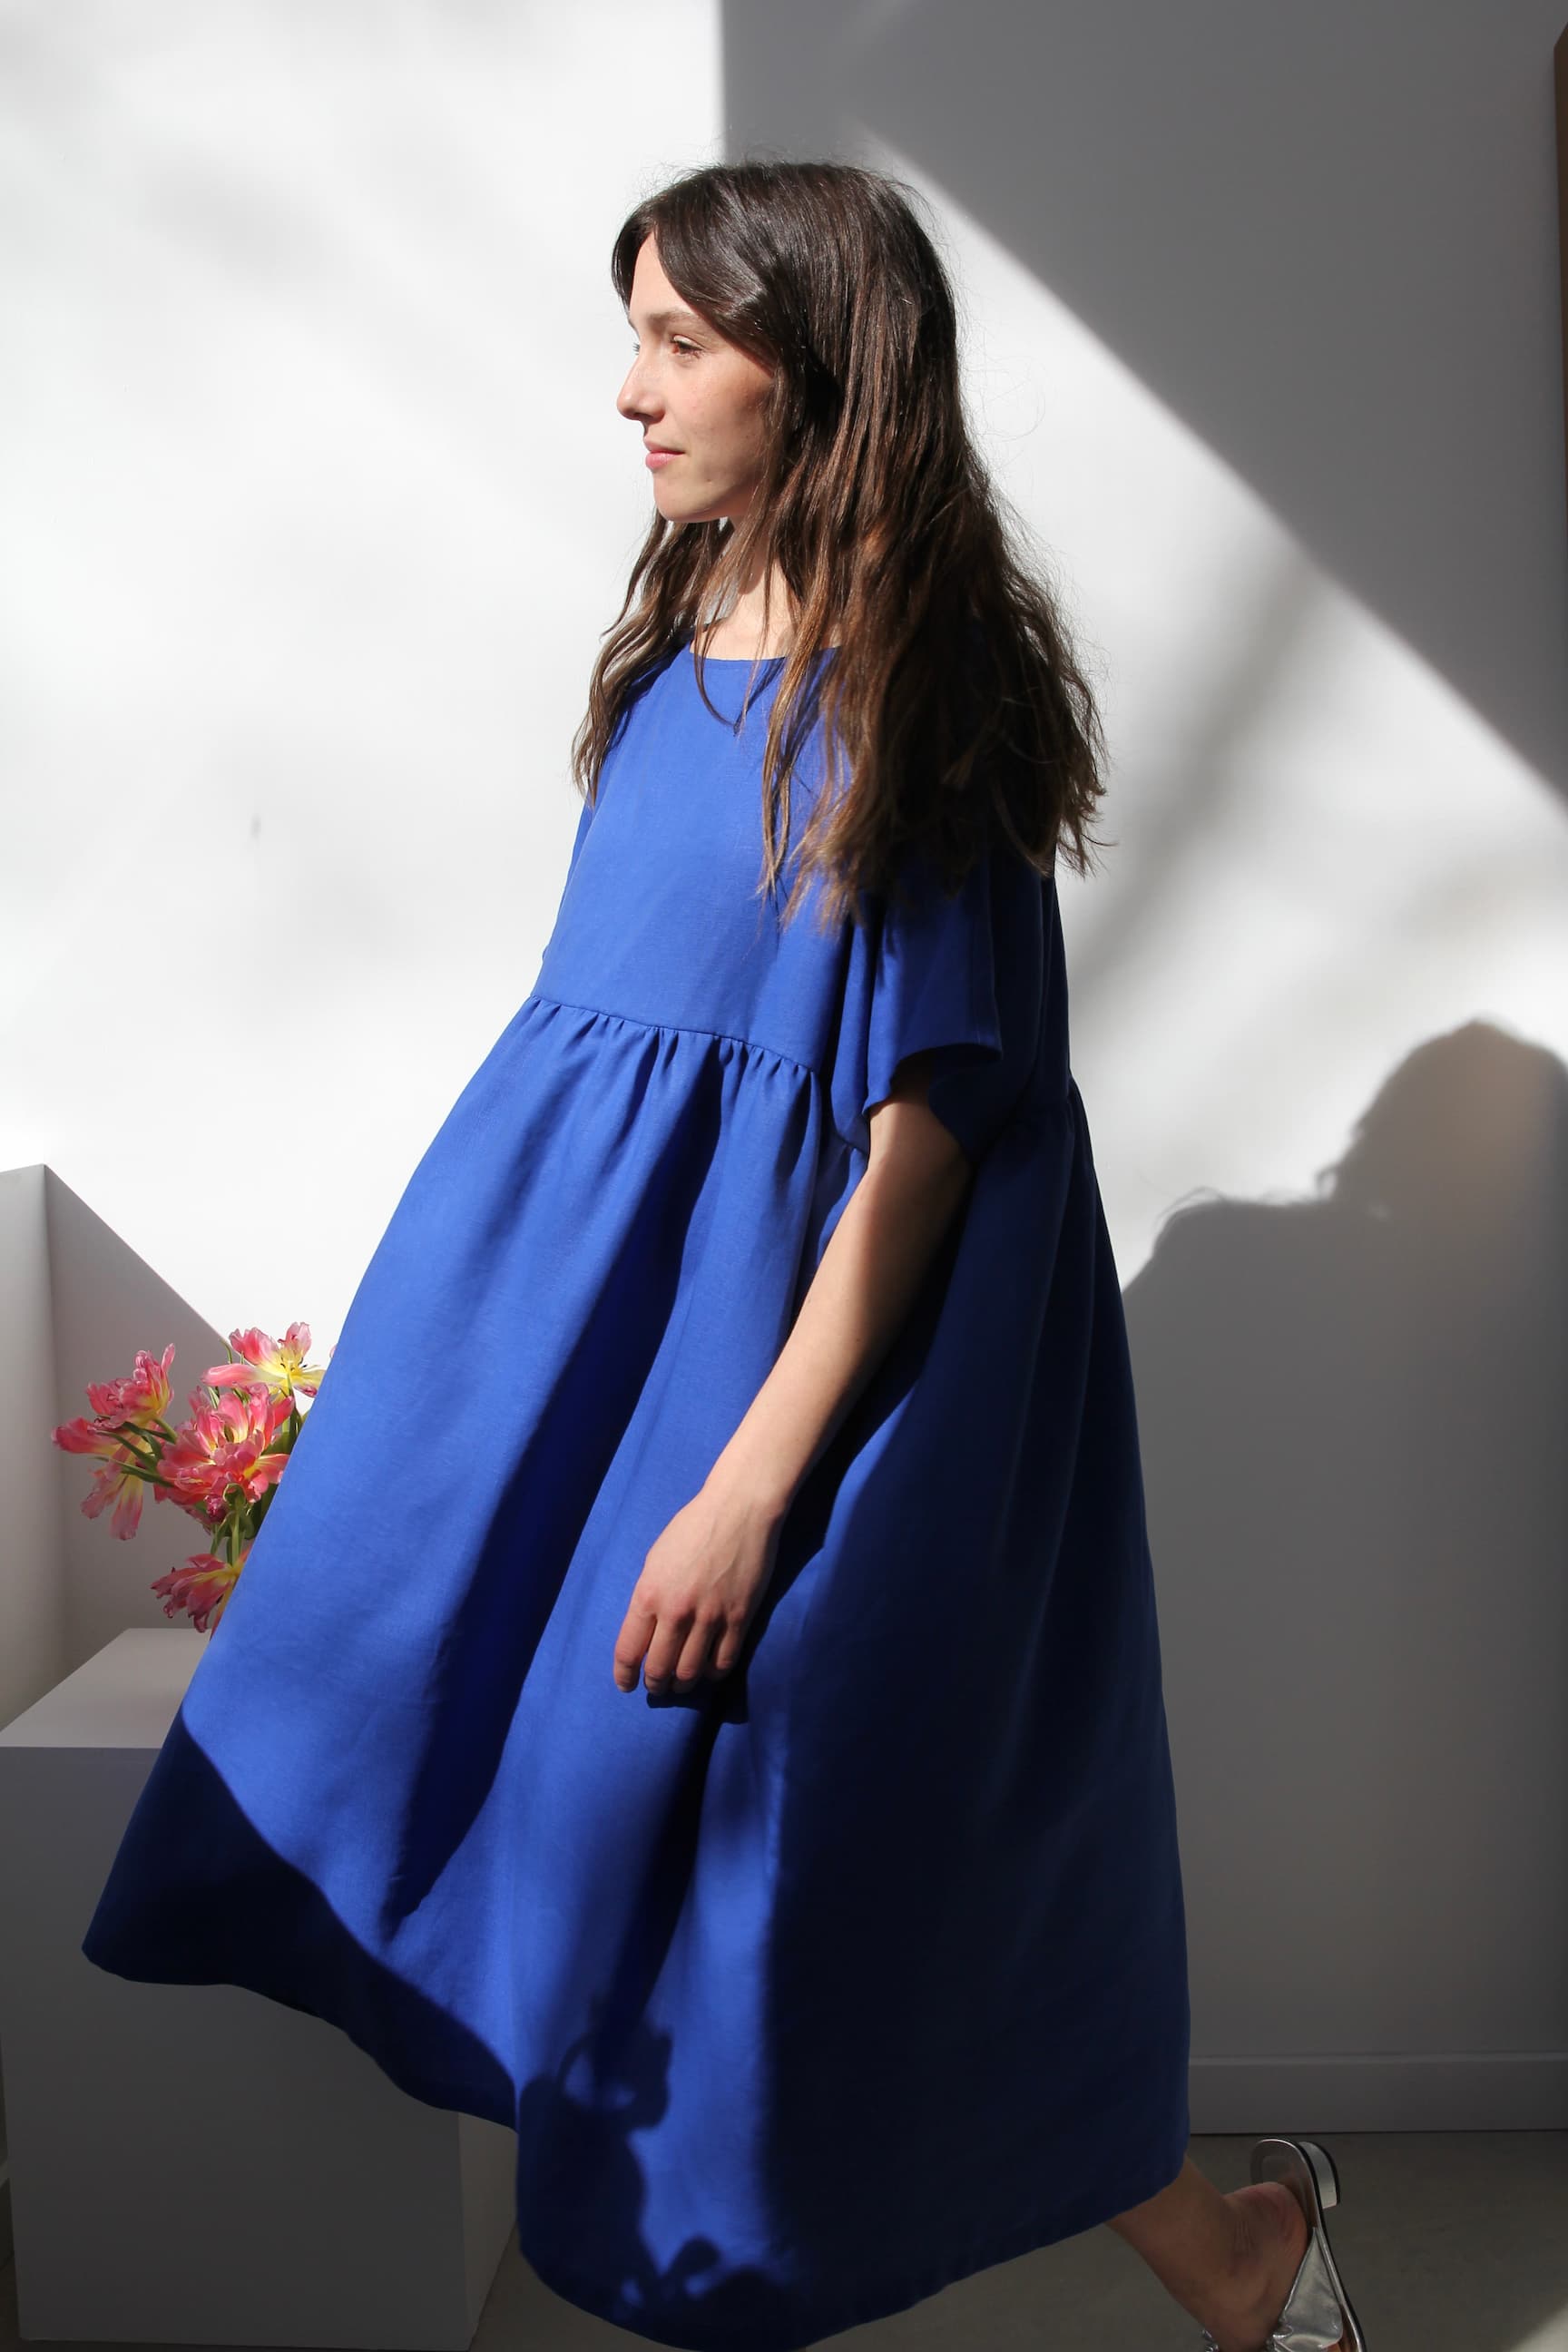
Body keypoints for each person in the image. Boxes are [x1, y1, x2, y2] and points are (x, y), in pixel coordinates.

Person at [79, 159, 1366, 2352]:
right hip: (592, 1345)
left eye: (681, 343)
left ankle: (1226, 2254)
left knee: (798, 1852)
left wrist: (749, 1491)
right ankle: (1237, 2253)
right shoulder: (681, 651)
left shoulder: (910, 709)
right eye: (634, 338)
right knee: (424, 1726)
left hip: (786, 1384)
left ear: (825, 374)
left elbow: (922, 1156)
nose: (629, 394)